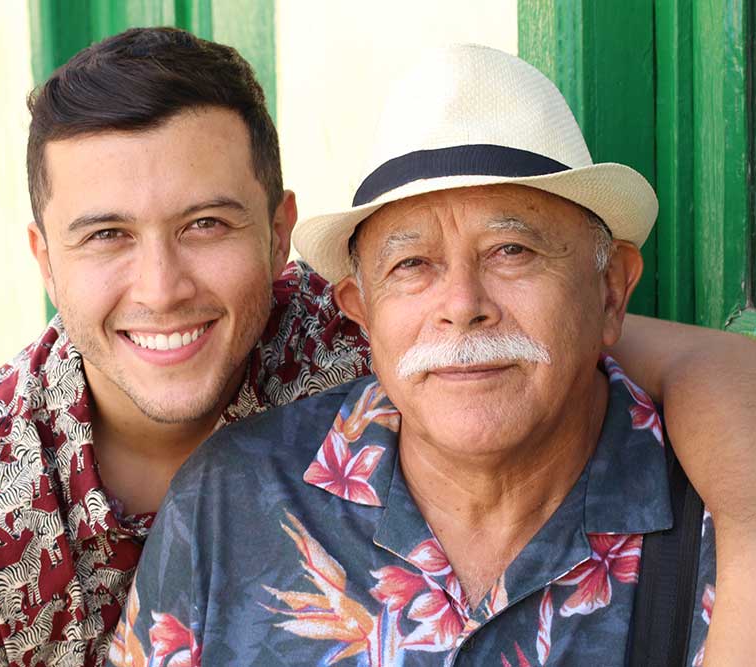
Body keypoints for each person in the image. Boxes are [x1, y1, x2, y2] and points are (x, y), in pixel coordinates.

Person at [0, 29, 753, 667]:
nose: (161, 286)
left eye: (206, 224)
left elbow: (570, 345)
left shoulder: (348, 327)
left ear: (279, 234)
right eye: (106, 236)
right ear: (44, 259)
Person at [115, 45, 726, 666]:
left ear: (610, 290)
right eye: (412, 264)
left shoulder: (722, 511)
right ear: (362, 312)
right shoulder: (229, 505)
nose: (462, 305)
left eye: (512, 250)